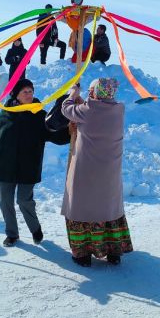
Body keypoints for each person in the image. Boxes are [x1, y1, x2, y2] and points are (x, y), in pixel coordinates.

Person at [0, 79, 70, 247]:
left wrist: (69, 131)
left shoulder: (39, 115)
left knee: (24, 201)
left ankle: (35, 230)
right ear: (16, 94)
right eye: (25, 91)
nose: (29, 94)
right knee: (5, 202)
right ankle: (12, 234)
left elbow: (55, 135)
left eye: (31, 91)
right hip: (6, 166)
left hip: (29, 167)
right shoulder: (5, 113)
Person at [61, 78, 132, 267]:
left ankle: (83, 254)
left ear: (93, 92)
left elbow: (66, 108)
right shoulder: (119, 109)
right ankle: (113, 251)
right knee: (108, 207)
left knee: (82, 206)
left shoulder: (87, 110)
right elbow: (95, 108)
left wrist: (73, 93)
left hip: (86, 171)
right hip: (110, 172)